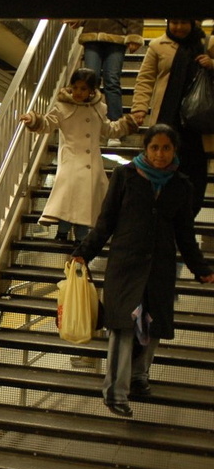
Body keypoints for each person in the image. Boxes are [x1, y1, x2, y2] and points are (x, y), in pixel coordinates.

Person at [71, 124, 214, 418]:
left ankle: (139, 376)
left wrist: (200, 268)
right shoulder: (124, 176)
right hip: (125, 265)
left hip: (159, 267)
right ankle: (115, 393)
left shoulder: (181, 185)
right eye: (154, 148)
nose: (160, 154)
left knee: (152, 326)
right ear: (145, 149)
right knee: (123, 328)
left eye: (166, 148)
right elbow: (106, 221)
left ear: (174, 150)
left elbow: (185, 234)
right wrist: (83, 253)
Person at [20, 67, 138, 243]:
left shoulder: (99, 108)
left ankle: (80, 236)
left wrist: (127, 124)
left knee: (84, 199)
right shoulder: (61, 107)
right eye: (75, 87)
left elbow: (108, 130)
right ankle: (63, 231)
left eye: (83, 89)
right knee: (70, 195)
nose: (78, 92)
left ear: (92, 90)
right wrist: (34, 120)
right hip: (70, 158)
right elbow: (47, 123)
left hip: (92, 161)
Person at [131, 19, 214, 217]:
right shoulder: (157, 45)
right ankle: (163, 221)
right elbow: (145, 78)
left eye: (183, 22)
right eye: (174, 22)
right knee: (162, 172)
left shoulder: (209, 44)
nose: (178, 27)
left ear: (194, 22)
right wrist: (139, 108)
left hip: (198, 126)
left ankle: (187, 218)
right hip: (167, 122)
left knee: (195, 177)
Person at [66, 19, 144, 147]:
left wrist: (134, 34)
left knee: (111, 81)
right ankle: (86, 126)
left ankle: (115, 130)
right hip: (92, 32)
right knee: (89, 82)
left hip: (117, 34)